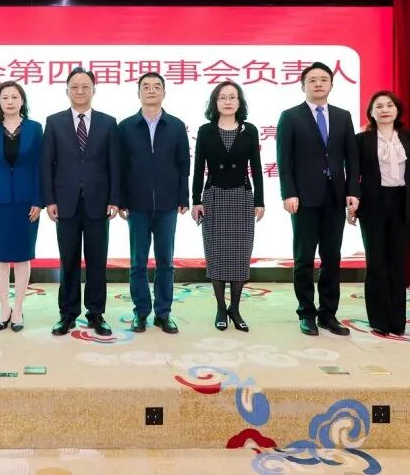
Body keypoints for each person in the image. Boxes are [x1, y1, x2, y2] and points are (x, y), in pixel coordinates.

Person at [276, 62, 360, 337]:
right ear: (303, 86)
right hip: (303, 198)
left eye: (324, 79)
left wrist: (353, 191)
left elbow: (351, 158)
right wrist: (289, 192)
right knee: (303, 259)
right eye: (312, 80)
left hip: (335, 196)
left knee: (332, 258)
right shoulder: (290, 116)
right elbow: (284, 160)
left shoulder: (343, 116)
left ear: (331, 85)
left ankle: (328, 314)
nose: (318, 83)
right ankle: (306, 313)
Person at [42, 68, 121, 337]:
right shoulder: (54, 122)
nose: (80, 91)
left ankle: (96, 313)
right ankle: (67, 314)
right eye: (74, 86)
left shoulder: (108, 123)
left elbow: (115, 164)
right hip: (65, 202)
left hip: (99, 202)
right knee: (69, 260)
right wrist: (49, 199)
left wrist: (115, 198)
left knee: (97, 261)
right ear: (67, 91)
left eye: (85, 86)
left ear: (93, 90)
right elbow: (47, 164)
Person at [350, 91, 410, 335]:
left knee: (397, 261)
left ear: (397, 110)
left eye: (389, 105)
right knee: (376, 261)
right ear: (371, 112)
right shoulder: (361, 140)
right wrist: (352, 201)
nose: (384, 110)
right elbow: (352, 173)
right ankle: (379, 320)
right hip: (372, 203)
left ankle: (397, 321)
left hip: (403, 202)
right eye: (379, 106)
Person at [117, 72, 190, 334]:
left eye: (156, 86)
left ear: (164, 92)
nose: (151, 90)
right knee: (138, 263)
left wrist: (183, 197)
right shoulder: (125, 127)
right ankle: (141, 312)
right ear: (138, 93)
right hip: (136, 205)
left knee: (165, 262)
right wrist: (120, 200)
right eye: (146, 87)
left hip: (168, 204)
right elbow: (120, 167)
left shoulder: (176, 126)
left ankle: (163, 313)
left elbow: (183, 165)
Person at [191, 81, 264, 332]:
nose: (228, 101)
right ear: (215, 102)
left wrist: (259, 201)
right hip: (214, 197)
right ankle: (221, 308)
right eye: (222, 97)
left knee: (240, 255)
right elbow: (198, 168)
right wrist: (196, 200)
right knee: (216, 254)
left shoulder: (249, 130)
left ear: (239, 102)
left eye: (233, 97)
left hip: (242, 196)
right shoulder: (206, 131)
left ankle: (235, 308)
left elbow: (256, 167)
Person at [0, 81, 43, 332]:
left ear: (22, 100)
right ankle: (4, 307)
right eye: (5, 97)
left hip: (27, 204)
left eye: (15, 97)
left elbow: (40, 168)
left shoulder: (35, 128)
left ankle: (18, 308)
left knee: (23, 257)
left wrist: (39, 200)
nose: (10, 101)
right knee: (0, 257)